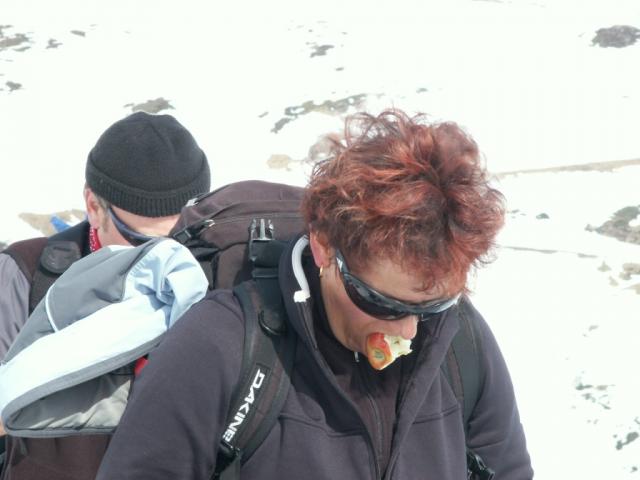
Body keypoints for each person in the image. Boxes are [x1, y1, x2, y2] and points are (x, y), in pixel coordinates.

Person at [97, 110, 533, 479]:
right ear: (324, 245)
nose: (407, 331)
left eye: (433, 306)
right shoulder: (219, 346)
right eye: (379, 302)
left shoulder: (460, 342)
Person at [0, 111, 211, 480]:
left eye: (181, 240)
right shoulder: (25, 274)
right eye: (142, 241)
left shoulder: (218, 278)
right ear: (94, 207)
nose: (166, 261)